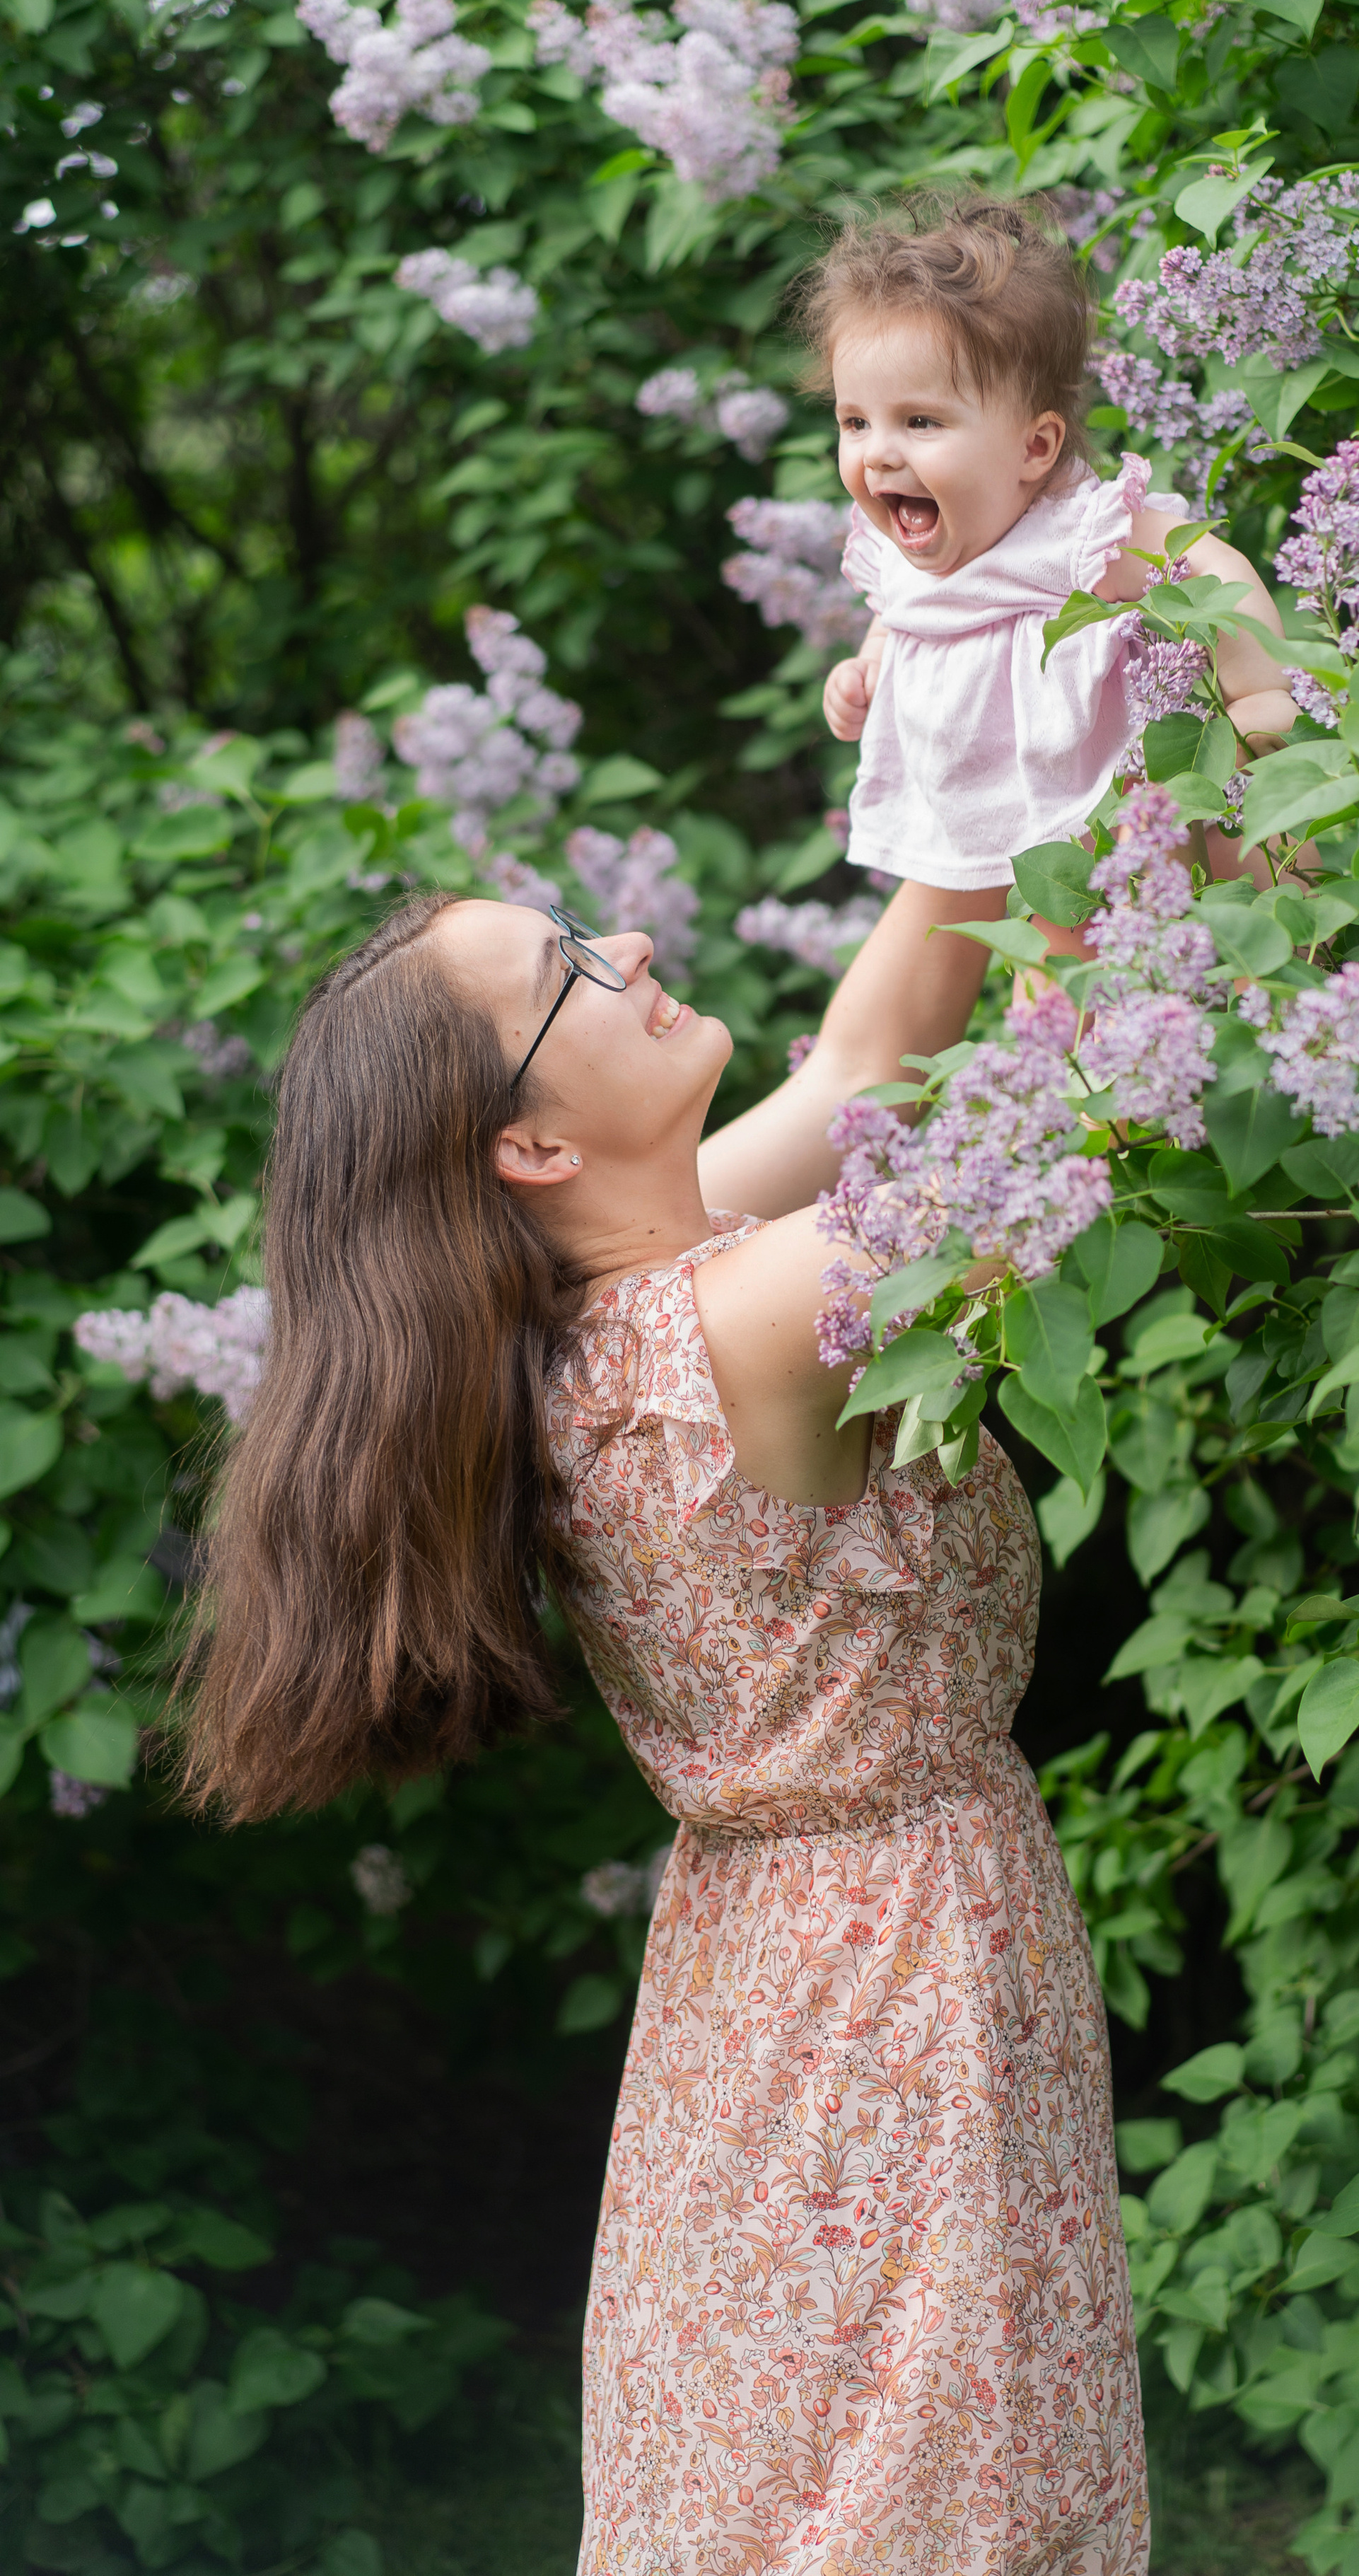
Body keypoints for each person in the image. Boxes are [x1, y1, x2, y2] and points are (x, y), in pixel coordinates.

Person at [180, 883, 1150, 2574]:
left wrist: (966, 670)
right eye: (568, 974)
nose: (624, 947)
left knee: (780, 2479)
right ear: (534, 1150)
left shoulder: (595, 1337)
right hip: (894, 1974)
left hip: (758, 1980)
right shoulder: (764, 1312)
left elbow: (868, 1040)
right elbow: (1092, 1113)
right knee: (930, 2489)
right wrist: (1203, 664)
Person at [810, 191, 1297, 913]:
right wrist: (868, 667)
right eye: (856, 421)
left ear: (1034, 448)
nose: (878, 455)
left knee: (1134, 934)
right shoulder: (904, 539)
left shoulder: (1068, 537)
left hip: (1098, 813)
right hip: (986, 818)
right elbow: (910, 612)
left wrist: (1257, 690)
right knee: (1041, 969)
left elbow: (1209, 564)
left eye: (919, 421)